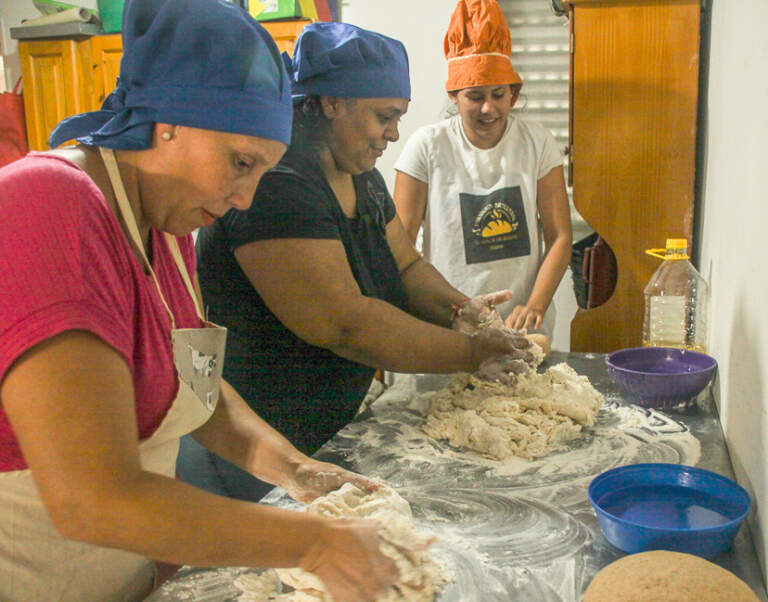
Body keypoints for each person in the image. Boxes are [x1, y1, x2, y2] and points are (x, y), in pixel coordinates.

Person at [0, 2, 402, 601]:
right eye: (241, 163)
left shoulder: (165, 228)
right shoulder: (48, 204)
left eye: (262, 172)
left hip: (120, 579)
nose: (245, 199)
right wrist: (314, 543)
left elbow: (197, 391)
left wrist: (295, 470)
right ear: (168, 121)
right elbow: (90, 499)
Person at [183, 21, 537, 502]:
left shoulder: (360, 174)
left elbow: (405, 265)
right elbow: (344, 323)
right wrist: (473, 354)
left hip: (324, 430)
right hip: (252, 445)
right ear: (332, 103)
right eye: (384, 116)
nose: (394, 133)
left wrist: (461, 310)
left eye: (398, 118)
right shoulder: (277, 183)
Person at [393, 0, 573, 340]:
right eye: (475, 97)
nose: (488, 108)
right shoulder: (427, 146)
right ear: (454, 95)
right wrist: (445, 310)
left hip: (523, 329)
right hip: (449, 325)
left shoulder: (537, 142)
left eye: (499, 95)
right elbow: (400, 245)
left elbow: (560, 236)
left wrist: (535, 304)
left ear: (513, 95)